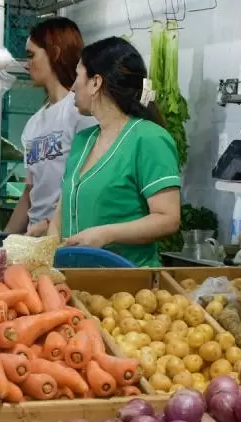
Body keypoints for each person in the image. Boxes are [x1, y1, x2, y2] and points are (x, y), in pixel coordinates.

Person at [48, 37, 181, 267]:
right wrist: (48, 258)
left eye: (78, 75)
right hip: (73, 283)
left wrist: (106, 234)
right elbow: (60, 214)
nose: (72, 86)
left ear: (95, 82)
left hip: (128, 290)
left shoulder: (149, 139)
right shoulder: (82, 142)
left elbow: (167, 218)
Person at [4, 17, 95, 236]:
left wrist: (51, 226)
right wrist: (3, 241)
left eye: (31, 55)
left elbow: (89, 186)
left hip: (67, 237)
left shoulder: (80, 112)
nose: (27, 64)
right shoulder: (33, 124)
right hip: (35, 237)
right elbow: (29, 192)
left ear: (54, 52)